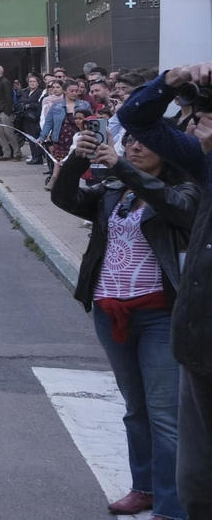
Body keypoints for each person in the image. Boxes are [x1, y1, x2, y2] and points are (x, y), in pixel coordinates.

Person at [53, 126, 196, 519]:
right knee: (136, 409)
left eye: (145, 142)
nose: (134, 145)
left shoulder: (186, 190)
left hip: (159, 316)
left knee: (164, 414)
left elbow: (175, 207)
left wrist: (123, 169)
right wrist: (76, 159)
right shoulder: (116, 192)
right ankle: (145, 488)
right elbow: (65, 198)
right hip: (109, 312)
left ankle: (171, 505)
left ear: (169, 151)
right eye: (131, 140)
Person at [117, 63, 212, 518]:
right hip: (197, 343)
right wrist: (170, 81)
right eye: (195, 113)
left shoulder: (188, 182)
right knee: (197, 484)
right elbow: (135, 119)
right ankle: (162, 498)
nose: (197, 121)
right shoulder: (203, 162)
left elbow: (171, 203)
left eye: (205, 113)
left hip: (169, 321)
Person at [42, 79, 92, 191]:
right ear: (65, 91)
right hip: (61, 136)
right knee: (59, 160)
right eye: (71, 91)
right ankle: (54, 179)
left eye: (76, 90)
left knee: (76, 159)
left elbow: (91, 119)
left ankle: (72, 181)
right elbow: (49, 122)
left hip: (78, 135)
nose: (74, 93)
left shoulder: (84, 104)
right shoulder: (56, 105)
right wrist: (42, 136)